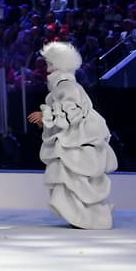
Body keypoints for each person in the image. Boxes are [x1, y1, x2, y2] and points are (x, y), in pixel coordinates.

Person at [28, 41, 117, 229]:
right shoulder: (66, 85)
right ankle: (84, 217)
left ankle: (87, 218)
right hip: (75, 137)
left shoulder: (66, 86)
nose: (46, 67)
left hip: (77, 139)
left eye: (48, 62)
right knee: (74, 178)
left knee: (74, 177)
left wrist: (47, 116)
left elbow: (72, 111)